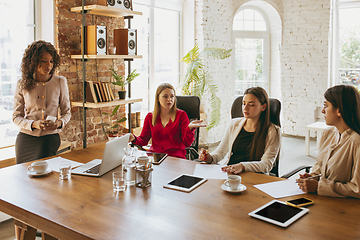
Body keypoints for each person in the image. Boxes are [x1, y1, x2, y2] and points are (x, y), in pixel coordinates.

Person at [13, 40, 71, 164]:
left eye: (51, 61)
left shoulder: (60, 82)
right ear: (33, 62)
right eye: (44, 61)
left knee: (43, 177)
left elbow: (67, 113)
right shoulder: (22, 84)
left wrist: (59, 123)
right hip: (25, 139)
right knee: (22, 176)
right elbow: (16, 117)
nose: (48, 65)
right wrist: (34, 124)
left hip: (49, 139)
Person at [199, 87, 281, 175]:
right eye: (244, 103)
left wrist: (242, 166)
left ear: (263, 107)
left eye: (251, 104)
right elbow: (221, 152)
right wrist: (209, 158)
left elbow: (266, 165)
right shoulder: (234, 124)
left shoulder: (273, 131)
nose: (245, 108)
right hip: (231, 174)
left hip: (255, 178)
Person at [296, 85, 360, 198]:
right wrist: (312, 176)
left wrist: (319, 186)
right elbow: (320, 165)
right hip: (322, 200)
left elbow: (357, 189)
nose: (322, 110)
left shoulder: (356, 143)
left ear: (339, 110)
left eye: (326, 106)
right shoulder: (328, 133)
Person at [129, 83, 205, 159]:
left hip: (175, 158)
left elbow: (186, 144)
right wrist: (134, 138)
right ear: (158, 98)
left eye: (172, 96)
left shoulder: (181, 115)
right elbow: (144, 140)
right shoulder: (150, 117)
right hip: (155, 157)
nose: (169, 99)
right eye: (165, 96)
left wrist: (190, 128)